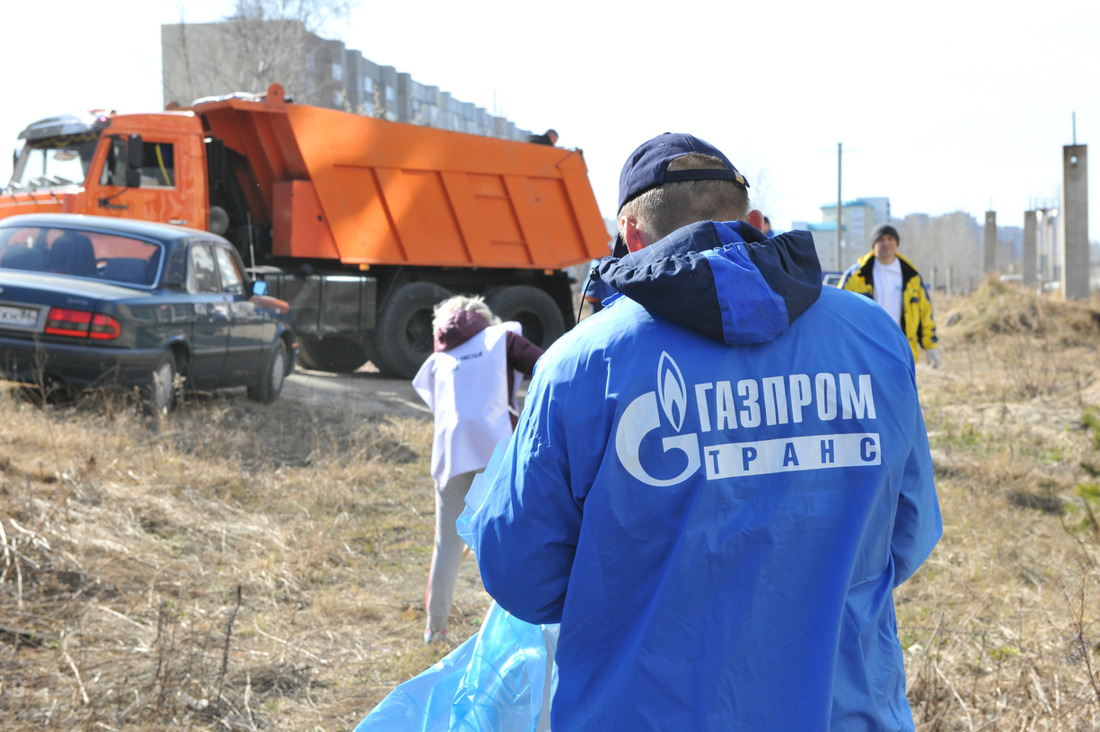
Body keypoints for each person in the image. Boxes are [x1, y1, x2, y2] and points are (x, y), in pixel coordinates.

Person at [466, 132, 942, 729]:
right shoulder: (872, 336)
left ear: (631, 235)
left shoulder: (580, 365)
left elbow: (523, 576)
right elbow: (909, 533)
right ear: (744, 218)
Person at [411, 295, 542, 645]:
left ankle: (435, 631)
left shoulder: (438, 359)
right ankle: (515, 633)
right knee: (512, 539)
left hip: (451, 457)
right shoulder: (501, 338)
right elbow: (546, 367)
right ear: (482, 318)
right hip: (499, 450)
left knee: (447, 545)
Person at [840, 223, 942, 367]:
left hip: (902, 351)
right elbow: (839, 313)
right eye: (880, 239)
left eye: (890, 238)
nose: (885, 243)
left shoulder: (911, 277)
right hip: (866, 351)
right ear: (874, 244)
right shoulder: (855, 276)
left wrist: (930, 345)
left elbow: (925, 313)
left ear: (896, 243)